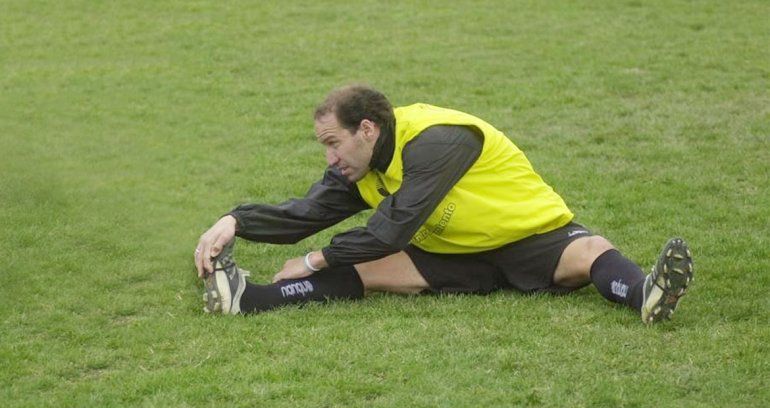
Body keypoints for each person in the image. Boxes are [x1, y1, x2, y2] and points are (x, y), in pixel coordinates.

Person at [193, 85, 693, 324]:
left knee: (592, 251)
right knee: (368, 271)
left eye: (332, 142)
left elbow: (390, 230)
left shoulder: (436, 139)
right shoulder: (359, 165)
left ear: (367, 129)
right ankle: (249, 299)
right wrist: (233, 220)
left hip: (529, 237)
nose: (329, 157)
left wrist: (315, 258)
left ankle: (645, 293)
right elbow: (303, 213)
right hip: (453, 255)